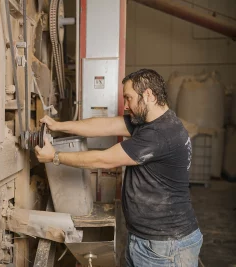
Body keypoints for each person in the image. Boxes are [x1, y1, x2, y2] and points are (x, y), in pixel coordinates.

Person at [35, 69, 202, 267]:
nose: (126, 104)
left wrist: (54, 157)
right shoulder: (150, 121)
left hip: (165, 247)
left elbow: (104, 159)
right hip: (149, 241)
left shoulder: (160, 134)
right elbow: (104, 126)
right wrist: (58, 125)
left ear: (148, 95)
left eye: (129, 98)